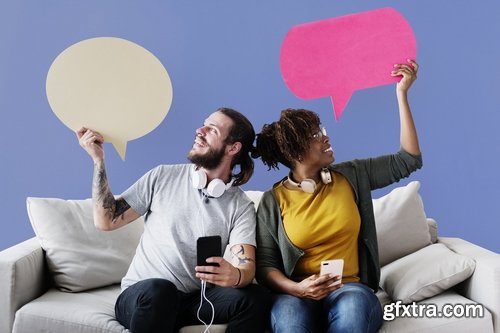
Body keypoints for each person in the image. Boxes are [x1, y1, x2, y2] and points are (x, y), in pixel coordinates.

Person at [252, 60, 422, 332]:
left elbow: (408, 160)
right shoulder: (273, 201)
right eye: (316, 134)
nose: (326, 138)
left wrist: (401, 94)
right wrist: (298, 288)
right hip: (296, 294)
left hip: (351, 290)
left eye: (323, 130)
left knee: (352, 310)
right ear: (296, 152)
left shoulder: (352, 175)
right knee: (289, 322)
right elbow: (266, 265)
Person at [76, 107, 270, 333]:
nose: (200, 130)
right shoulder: (162, 176)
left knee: (257, 298)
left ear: (233, 148)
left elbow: (246, 265)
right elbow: (106, 220)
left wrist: (236, 275)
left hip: (191, 301)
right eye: (203, 124)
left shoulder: (240, 205)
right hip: (143, 296)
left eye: (212, 129)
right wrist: (98, 161)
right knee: (161, 291)